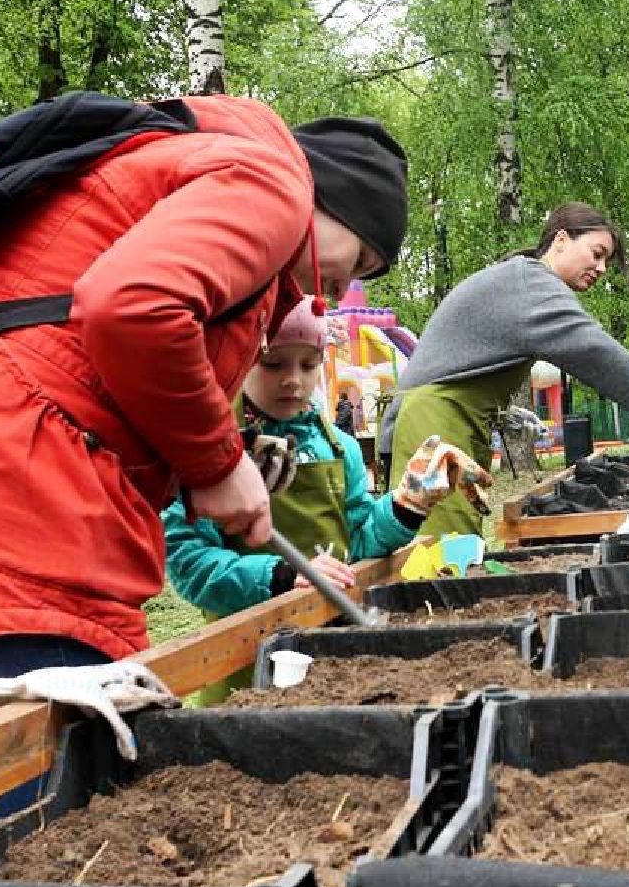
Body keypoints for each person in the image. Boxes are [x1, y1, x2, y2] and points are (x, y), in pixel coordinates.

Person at [0, 99, 410, 812]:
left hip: (0, 493)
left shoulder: (215, 191)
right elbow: (133, 306)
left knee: (97, 803)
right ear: (330, 197)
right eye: (359, 257)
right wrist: (213, 462)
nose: (345, 285)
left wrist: (211, 458)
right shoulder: (271, 183)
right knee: (91, 816)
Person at [162, 299, 488, 700]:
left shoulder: (341, 448)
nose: (293, 380)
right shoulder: (208, 452)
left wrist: (407, 503)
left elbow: (358, 541)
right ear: (239, 360)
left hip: (334, 657)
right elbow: (189, 562)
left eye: (308, 363)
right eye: (274, 364)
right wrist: (280, 576)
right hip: (244, 668)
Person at [380, 202, 629, 537]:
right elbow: (591, 347)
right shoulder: (532, 283)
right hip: (434, 426)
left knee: (456, 548)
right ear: (561, 239)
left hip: (447, 422)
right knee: (437, 557)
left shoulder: (521, 278)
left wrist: (506, 413)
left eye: (606, 260)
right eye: (596, 253)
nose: (602, 268)